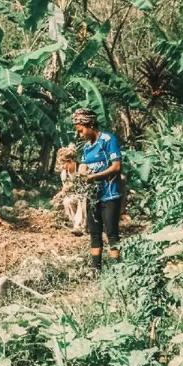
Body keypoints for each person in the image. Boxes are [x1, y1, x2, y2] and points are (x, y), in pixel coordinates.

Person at [72, 108, 123, 270]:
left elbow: (116, 167)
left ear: (90, 124)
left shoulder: (108, 140)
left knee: (112, 233)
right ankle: (96, 269)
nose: (80, 135)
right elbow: (85, 167)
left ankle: (117, 269)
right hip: (93, 196)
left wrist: (94, 177)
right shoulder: (87, 148)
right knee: (94, 233)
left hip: (110, 194)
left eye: (81, 130)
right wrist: (81, 173)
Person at [53, 145, 87, 235]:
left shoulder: (81, 167)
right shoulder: (64, 174)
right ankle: (75, 224)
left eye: (64, 164)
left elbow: (87, 185)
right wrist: (61, 194)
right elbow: (66, 188)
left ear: (71, 161)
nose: (62, 167)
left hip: (87, 195)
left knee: (81, 198)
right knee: (67, 201)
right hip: (75, 194)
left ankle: (81, 226)